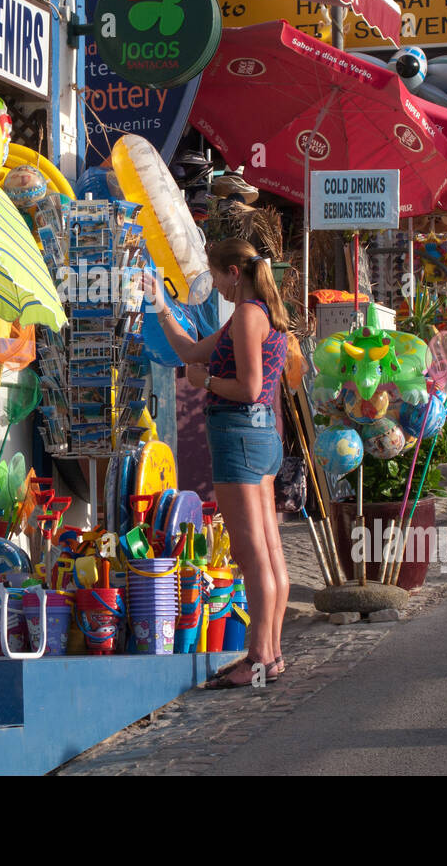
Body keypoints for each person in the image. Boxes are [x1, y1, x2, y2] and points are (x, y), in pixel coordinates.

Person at [148, 238, 293, 688]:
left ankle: (256, 658)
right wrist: (160, 304)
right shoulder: (263, 313)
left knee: (252, 559)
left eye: (214, 275)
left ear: (234, 272)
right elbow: (190, 351)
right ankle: (271, 656)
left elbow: (247, 387)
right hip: (260, 435)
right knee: (269, 553)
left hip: (240, 435)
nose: (213, 285)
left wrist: (205, 382)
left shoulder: (248, 316)